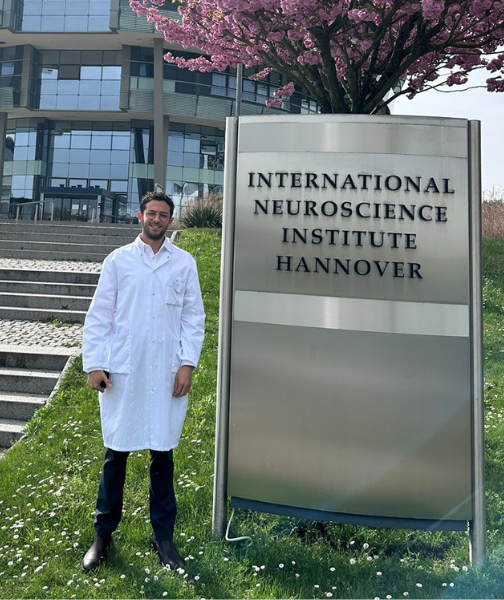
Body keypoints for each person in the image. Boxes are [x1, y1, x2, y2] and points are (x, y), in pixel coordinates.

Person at [81, 191, 205, 572]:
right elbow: (100, 315)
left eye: (163, 215)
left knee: (162, 456)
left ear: (171, 220)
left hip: (166, 373)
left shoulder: (183, 264)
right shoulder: (118, 261)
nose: (156, 220)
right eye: (151, 213)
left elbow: (193, 317)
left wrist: (187, 364)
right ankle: (102, 535)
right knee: (115, 455)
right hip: (125, 373)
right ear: (140, 216)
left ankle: (163, 538)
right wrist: (95, 365)